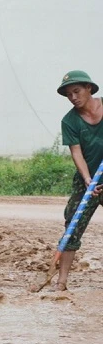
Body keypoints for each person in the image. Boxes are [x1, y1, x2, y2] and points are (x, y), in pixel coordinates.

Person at [54, 70, 103, 291]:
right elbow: (77, 152)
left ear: (89, 88)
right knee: (72, 227)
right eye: (68, 94)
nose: (73, 97)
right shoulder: (69, 121)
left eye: (76, 91)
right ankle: (61, 282)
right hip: (88, 180)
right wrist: (87, 180)